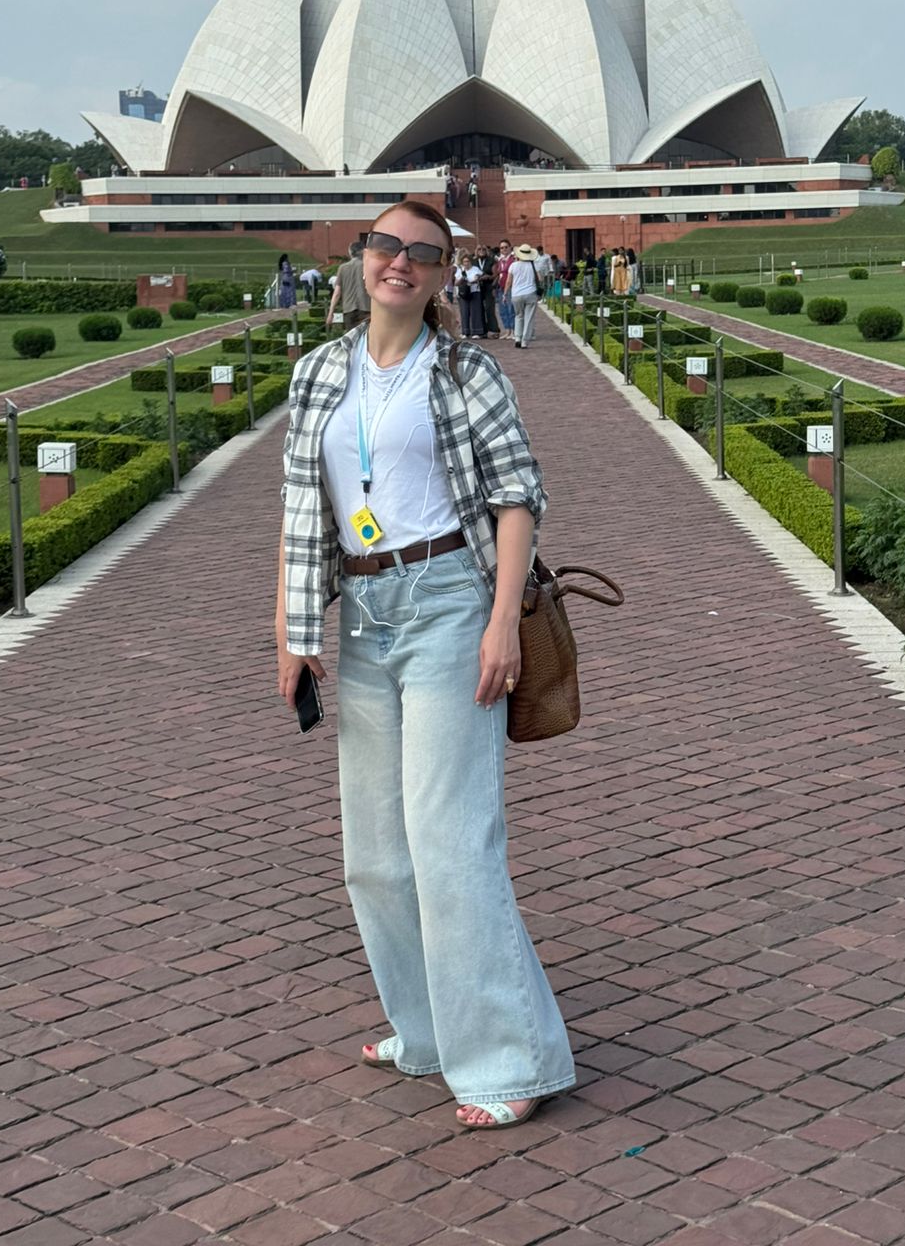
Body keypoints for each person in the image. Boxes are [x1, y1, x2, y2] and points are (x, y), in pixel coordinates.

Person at [276, 199, 574, 1129]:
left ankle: (510, 1058)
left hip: (448, 602)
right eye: (386, 246)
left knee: (450, 841)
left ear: (445, 275)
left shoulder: (466, 371)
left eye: (423, 253)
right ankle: (429, 1031)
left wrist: (501, 623)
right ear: (362, 258)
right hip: (364, 615)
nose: (399, 263)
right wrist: (292, 631)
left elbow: (518, 498)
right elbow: (299, 509)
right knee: (373, 854)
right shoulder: (319, 372)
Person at [327, 241, 371, 330]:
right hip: (366, 308)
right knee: (366, 337)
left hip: (349, 309)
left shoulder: (342, 268)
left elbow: (337, 293)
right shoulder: (367, 267)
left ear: (350, 252)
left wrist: (330, 313)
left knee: (351, 337)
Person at [508, 244, 541, 348]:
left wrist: (505, 293)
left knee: (518, 316)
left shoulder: (513, 265)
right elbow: (540, 279)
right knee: (529, 318)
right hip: (530, 292)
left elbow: (509, 281)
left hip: (516, 294)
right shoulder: (533, 265)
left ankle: (517, 337)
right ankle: (524, 341)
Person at [454, 251, 484, 338]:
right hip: (464, 292)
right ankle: (465, 332)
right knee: (464, 312)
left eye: (467, 261)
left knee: (475, 311)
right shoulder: (460, 271)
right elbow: (456, 283)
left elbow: (480, 276)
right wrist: (462, 279)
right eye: (464, 262)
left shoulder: (475, 269)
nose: (466, 263)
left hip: (474, 291)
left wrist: (476, 279)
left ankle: (476, 332)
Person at [495, 238, 516, 341]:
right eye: (501, 248)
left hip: (510, 286)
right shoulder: (500, 260)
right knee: (502, 310)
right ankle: (507, 330)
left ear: (510, 247)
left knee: (511, 309)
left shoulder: (513, 259)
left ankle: (513, 330)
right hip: (501, 287)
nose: (504, 249)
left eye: (506, 247)